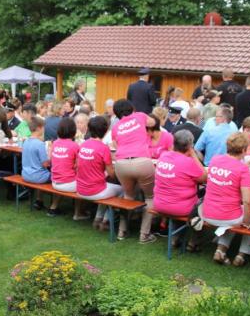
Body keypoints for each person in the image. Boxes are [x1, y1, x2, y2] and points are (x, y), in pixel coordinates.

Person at [200, 132, 250, 266]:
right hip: (226, 215)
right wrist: (247, 222)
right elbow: (247, 200)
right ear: (243, 150)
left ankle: (221, 250)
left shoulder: (215, 159)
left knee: (232, 216)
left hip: (207, 213)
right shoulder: (242, 169)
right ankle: (242, 254)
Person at [111, 98, 157, 244]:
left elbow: (115, 144)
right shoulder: (140, 116)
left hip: (122, 163)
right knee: (150, 197)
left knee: (128, 195)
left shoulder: (116, 127)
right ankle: (144, 235)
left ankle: (121, 231)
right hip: (142, 161)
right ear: (131, 108)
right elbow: (153, 122)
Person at [76, 116, 123, 230]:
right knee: (123, 189)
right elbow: (111, 174)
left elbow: (79, 165)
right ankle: (106, 220)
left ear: (89, 129)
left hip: (80, 189)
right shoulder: (103, 148)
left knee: (108, 188)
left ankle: (98, 218)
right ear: (106, 130)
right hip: (95, 191)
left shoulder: (83, 145)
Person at [153, 130, 207, 218]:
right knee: (205, 197)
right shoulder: (188, 162)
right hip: (181, 208)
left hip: (159, 204)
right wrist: (193, 155)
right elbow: (205, 178)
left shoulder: (163, 156)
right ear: (190, 146)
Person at [48, 118, 88, 220]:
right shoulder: (74, 146)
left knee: (64, 175)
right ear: (73, 131)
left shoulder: (55, 143)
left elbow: (51, 159)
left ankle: (53, 207)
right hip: (68, 184)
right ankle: (78, 213)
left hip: (55, 182)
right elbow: (79, 166)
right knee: (83, 182)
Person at [21, 116, 52, 210]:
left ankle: (39, 200)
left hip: (25, 174)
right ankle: (54, 205)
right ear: (39, 128)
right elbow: (45, 164)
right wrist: (50, 153)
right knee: (57, 176)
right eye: (43, 127)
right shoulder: (39, 144)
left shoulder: (25, 141)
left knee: (41, 172)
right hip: (37, 177)